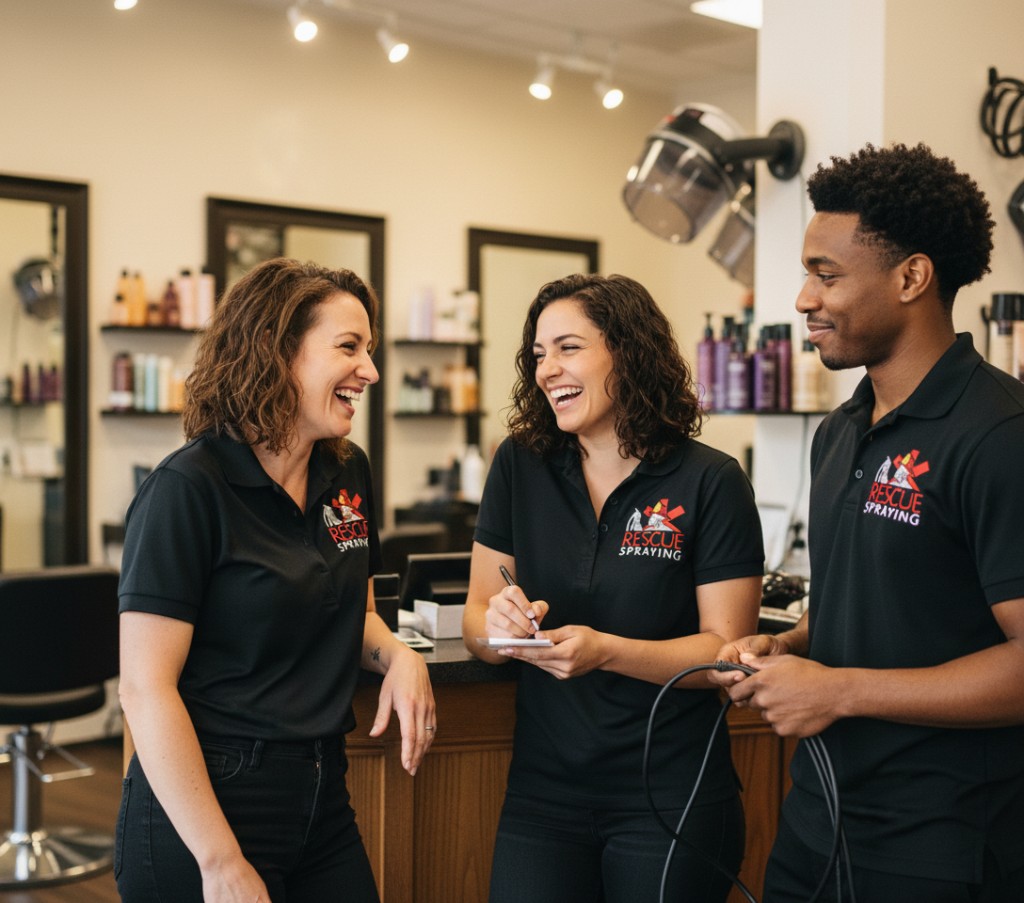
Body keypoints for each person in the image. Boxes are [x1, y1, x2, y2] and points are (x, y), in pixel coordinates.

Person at [714, 144, 1024, 902]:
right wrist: (788, 643)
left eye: (826, 275)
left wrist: (841, 690)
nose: (802, 299)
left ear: (912, 277)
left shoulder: (998, 434)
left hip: (942, 845)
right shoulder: (841, 431)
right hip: (817, 826)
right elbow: (879, 599)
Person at [116, 258, 436, 903]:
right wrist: (220, 860)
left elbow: (352, 614)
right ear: (276, 352)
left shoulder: (347, 473)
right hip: (206, 803)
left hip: (321, 791)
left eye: (369, 350)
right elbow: (145, 689)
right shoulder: (188, 489)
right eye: (348, 347)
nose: (369, 371)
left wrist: (398, 655)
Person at [462, 273, 765, 903]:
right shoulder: (520, 464)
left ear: (627, 351)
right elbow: (474, 619)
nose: (548, 369)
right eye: (539, 354)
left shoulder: (710, 480)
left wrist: (607, 650)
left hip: (669, 800)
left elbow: (727, 654)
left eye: (568, 347)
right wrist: (501, 630)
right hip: (542, 795)